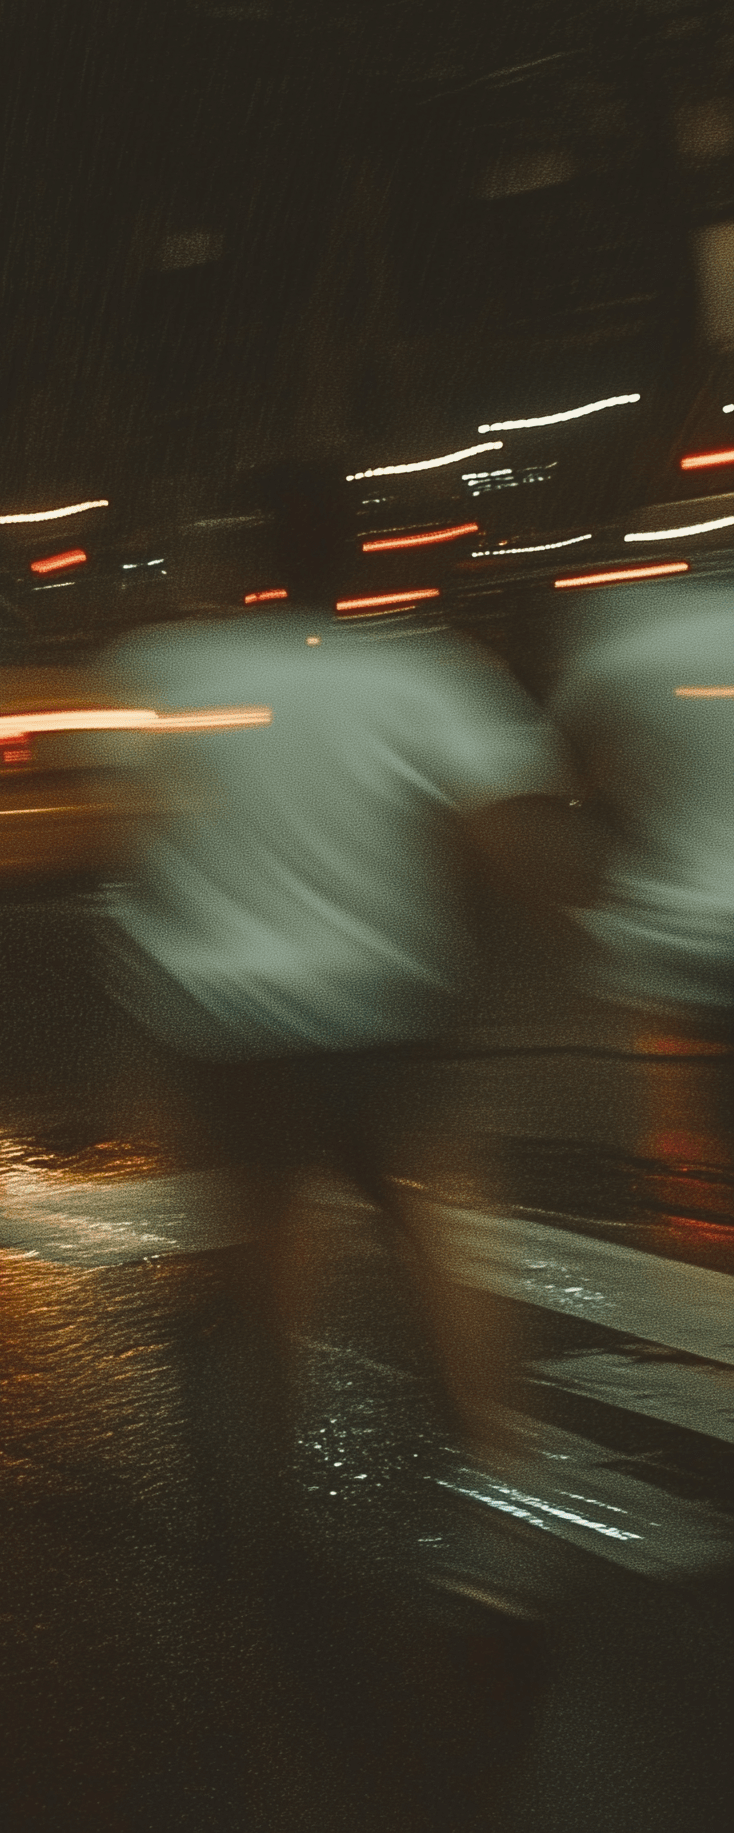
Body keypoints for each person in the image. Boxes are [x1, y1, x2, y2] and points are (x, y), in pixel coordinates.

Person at [95, 461, 585, 1610]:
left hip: (222, 1017)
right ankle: (506, 1504)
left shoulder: (163, 672)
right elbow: (510, 835)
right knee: (436, 1228)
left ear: (249, 560)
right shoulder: (420, 677)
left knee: (265, 1241)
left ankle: (260, 1511)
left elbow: (124, 824)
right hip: (380, 1007)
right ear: (353, 557)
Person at [550, 569, 734, 1217]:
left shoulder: (619, 641)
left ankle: (697, 1237)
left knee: (684, 1116)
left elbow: (568, 776)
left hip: (669, 926)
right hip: (673, 925)